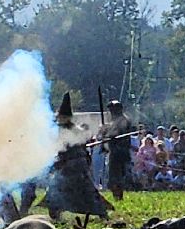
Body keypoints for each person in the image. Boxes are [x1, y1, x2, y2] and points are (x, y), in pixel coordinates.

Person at [44, 94, 111, 222]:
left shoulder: (68, 130)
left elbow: (65, 148)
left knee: (64, 190)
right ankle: (56, 213)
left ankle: (102, 213)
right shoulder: (71, 129)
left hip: (72, 166)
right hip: (73, 165)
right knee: (81, 191)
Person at [104, 99, 134, 202]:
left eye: (112, 110)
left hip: (120, 152)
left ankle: (119, 197)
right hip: (114, 152)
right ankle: (117, 196)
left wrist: (110, 135)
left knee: (116, 177)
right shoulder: (114, 122)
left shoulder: (123, 120)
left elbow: (117, 134)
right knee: (113, 177)